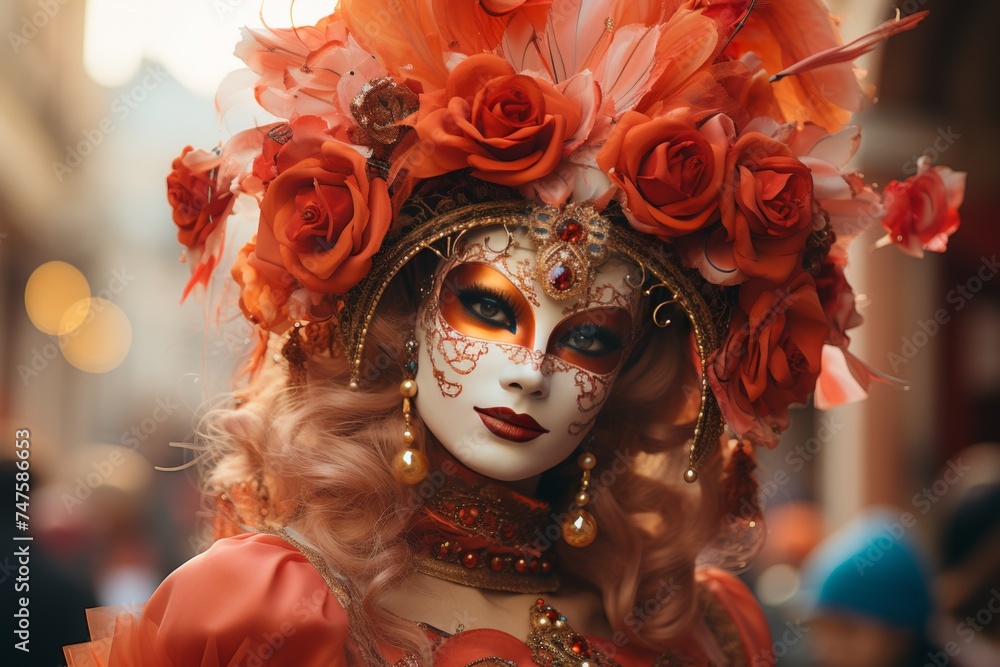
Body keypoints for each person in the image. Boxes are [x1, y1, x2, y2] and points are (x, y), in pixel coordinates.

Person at [64, 0, 964, 664]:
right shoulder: (260, 615)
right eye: (489, 309)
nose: (532, 369)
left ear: (630, 373)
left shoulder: (700, 631)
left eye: (590, 339)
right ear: (408, 316)